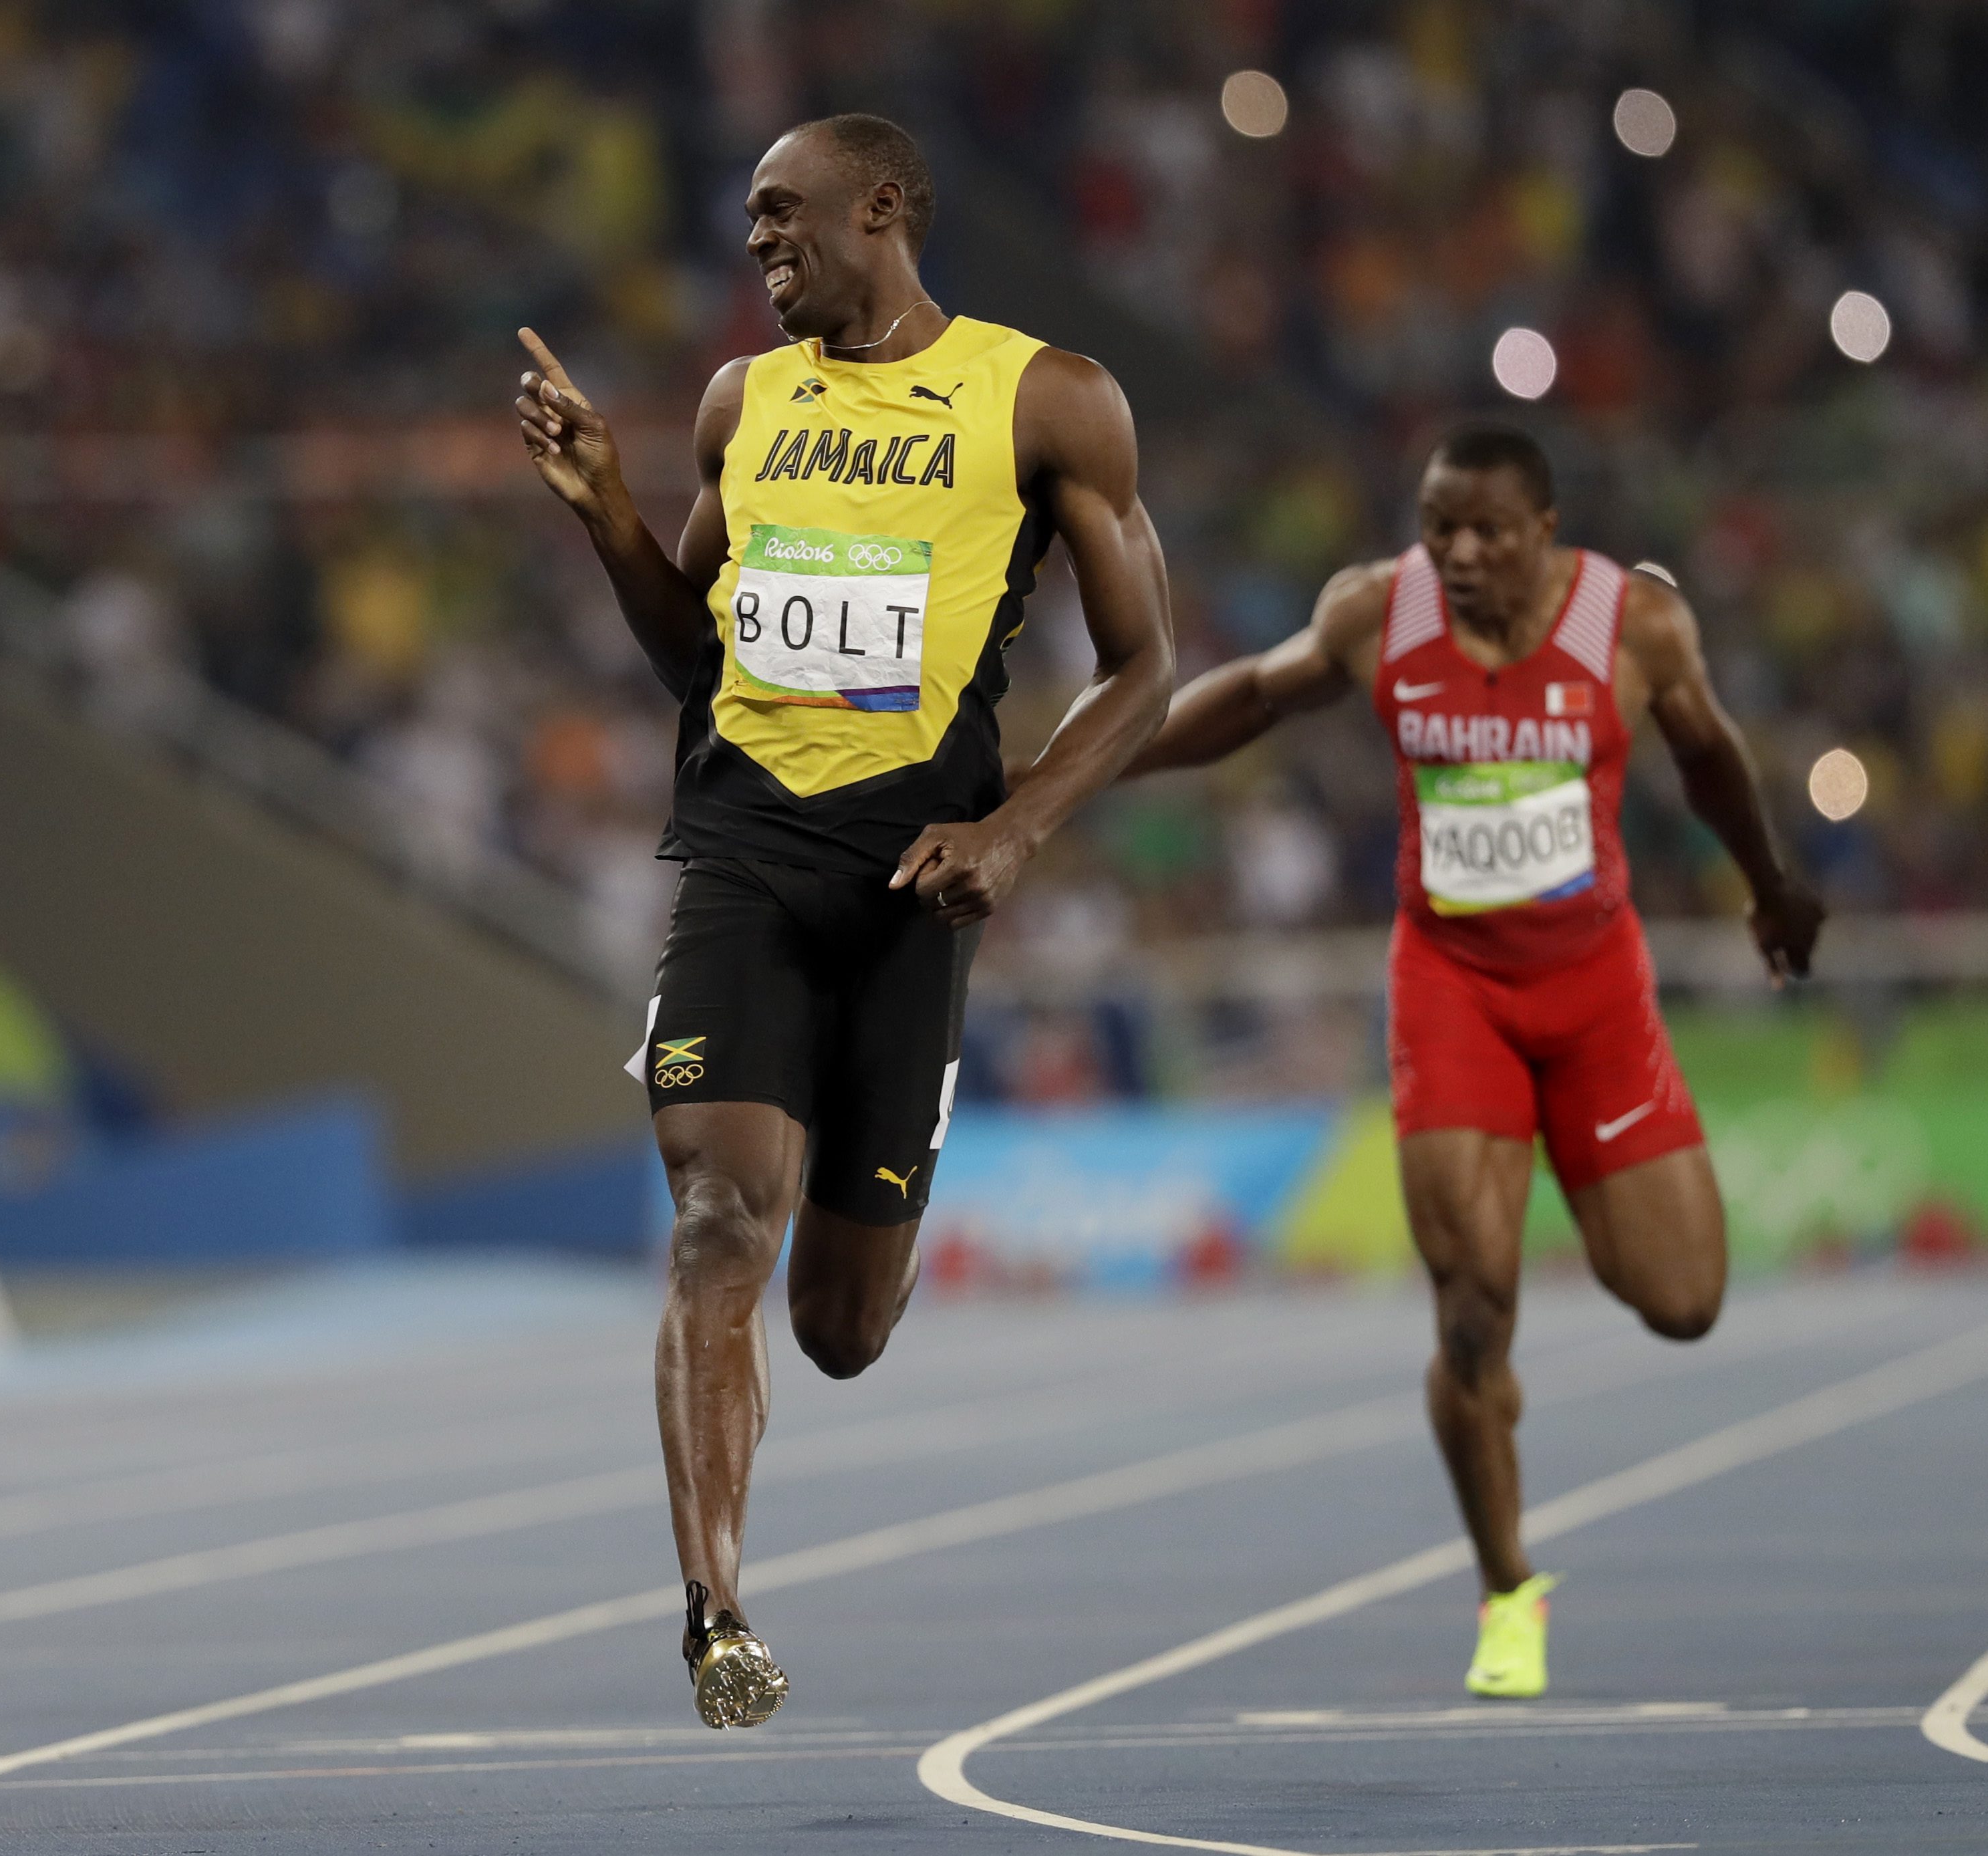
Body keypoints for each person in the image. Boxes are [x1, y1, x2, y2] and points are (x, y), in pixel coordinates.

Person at [515, 115, 1174, 1727]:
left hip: (915, 877)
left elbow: (1146, 667)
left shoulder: (1049, 397)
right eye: (748, 220)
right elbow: (697, 654)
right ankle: (715, 1614)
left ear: (881, 207)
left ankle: (856, 1243)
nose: (757, 243)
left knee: (843, 1329)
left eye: (779, 212)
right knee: (721, 1221)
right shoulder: (747, 400)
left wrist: (1014, 832)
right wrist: (606, 503)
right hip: (742, 860)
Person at [1123, 425, 1823, 1698]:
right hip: (1452, 989)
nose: (1455, 549)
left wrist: (1769, 887)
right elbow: (1255, 697)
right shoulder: (1376, 612)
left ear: (1545, 532)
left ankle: (1558, 1319)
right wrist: (1089, 760)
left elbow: (1709, 754)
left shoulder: (1634, 623)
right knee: (1470, 1308)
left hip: (1595, 993)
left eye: (1485, 529)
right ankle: (1508, 1589)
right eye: (1438, 523)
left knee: (1681, 1302)